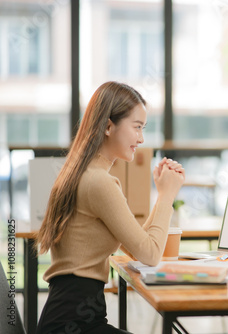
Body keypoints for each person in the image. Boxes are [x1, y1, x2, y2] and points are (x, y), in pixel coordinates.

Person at [35, 81, 185, 334]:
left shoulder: (83, 172)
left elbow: (137, 247)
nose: (141, 138)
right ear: (108, 126)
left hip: (68, 317)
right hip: (74, 323)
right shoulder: (99, 182)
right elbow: (149, 253)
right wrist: (167, 195)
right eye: (137, 127)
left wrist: (162, 194)